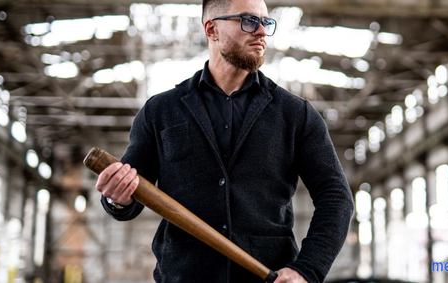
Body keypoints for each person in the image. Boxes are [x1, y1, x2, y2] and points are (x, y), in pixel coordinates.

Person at [95, 0, 354, 282]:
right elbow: (131, 194)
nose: (261, 32)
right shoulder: (161, 111)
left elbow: (336, 198)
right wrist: (116, 197)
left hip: (265, 278)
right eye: (249, 21)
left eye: (266, 23)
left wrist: (307, 268)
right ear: (212, 29)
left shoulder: (296, 114)